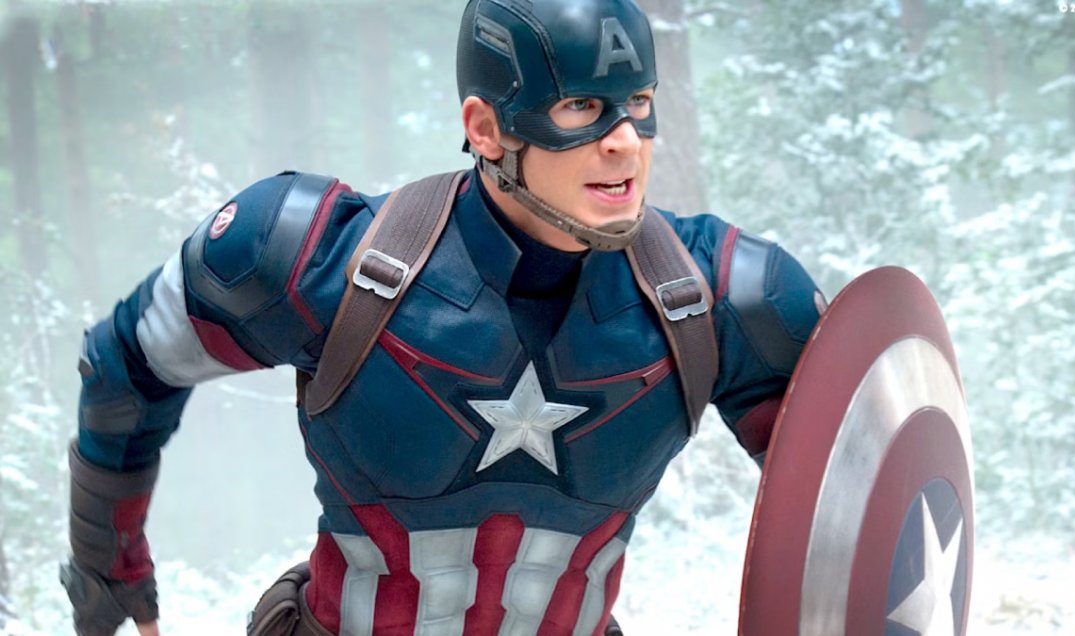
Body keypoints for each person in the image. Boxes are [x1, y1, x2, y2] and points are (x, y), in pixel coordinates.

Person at [61, 1, 824, 634]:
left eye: (639, 105)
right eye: (582, 108)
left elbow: (848, 507)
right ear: (486, 128)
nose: (624, 143)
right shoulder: (311, 258)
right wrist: (108, 565)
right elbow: (127, 364)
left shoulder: (730, 298)